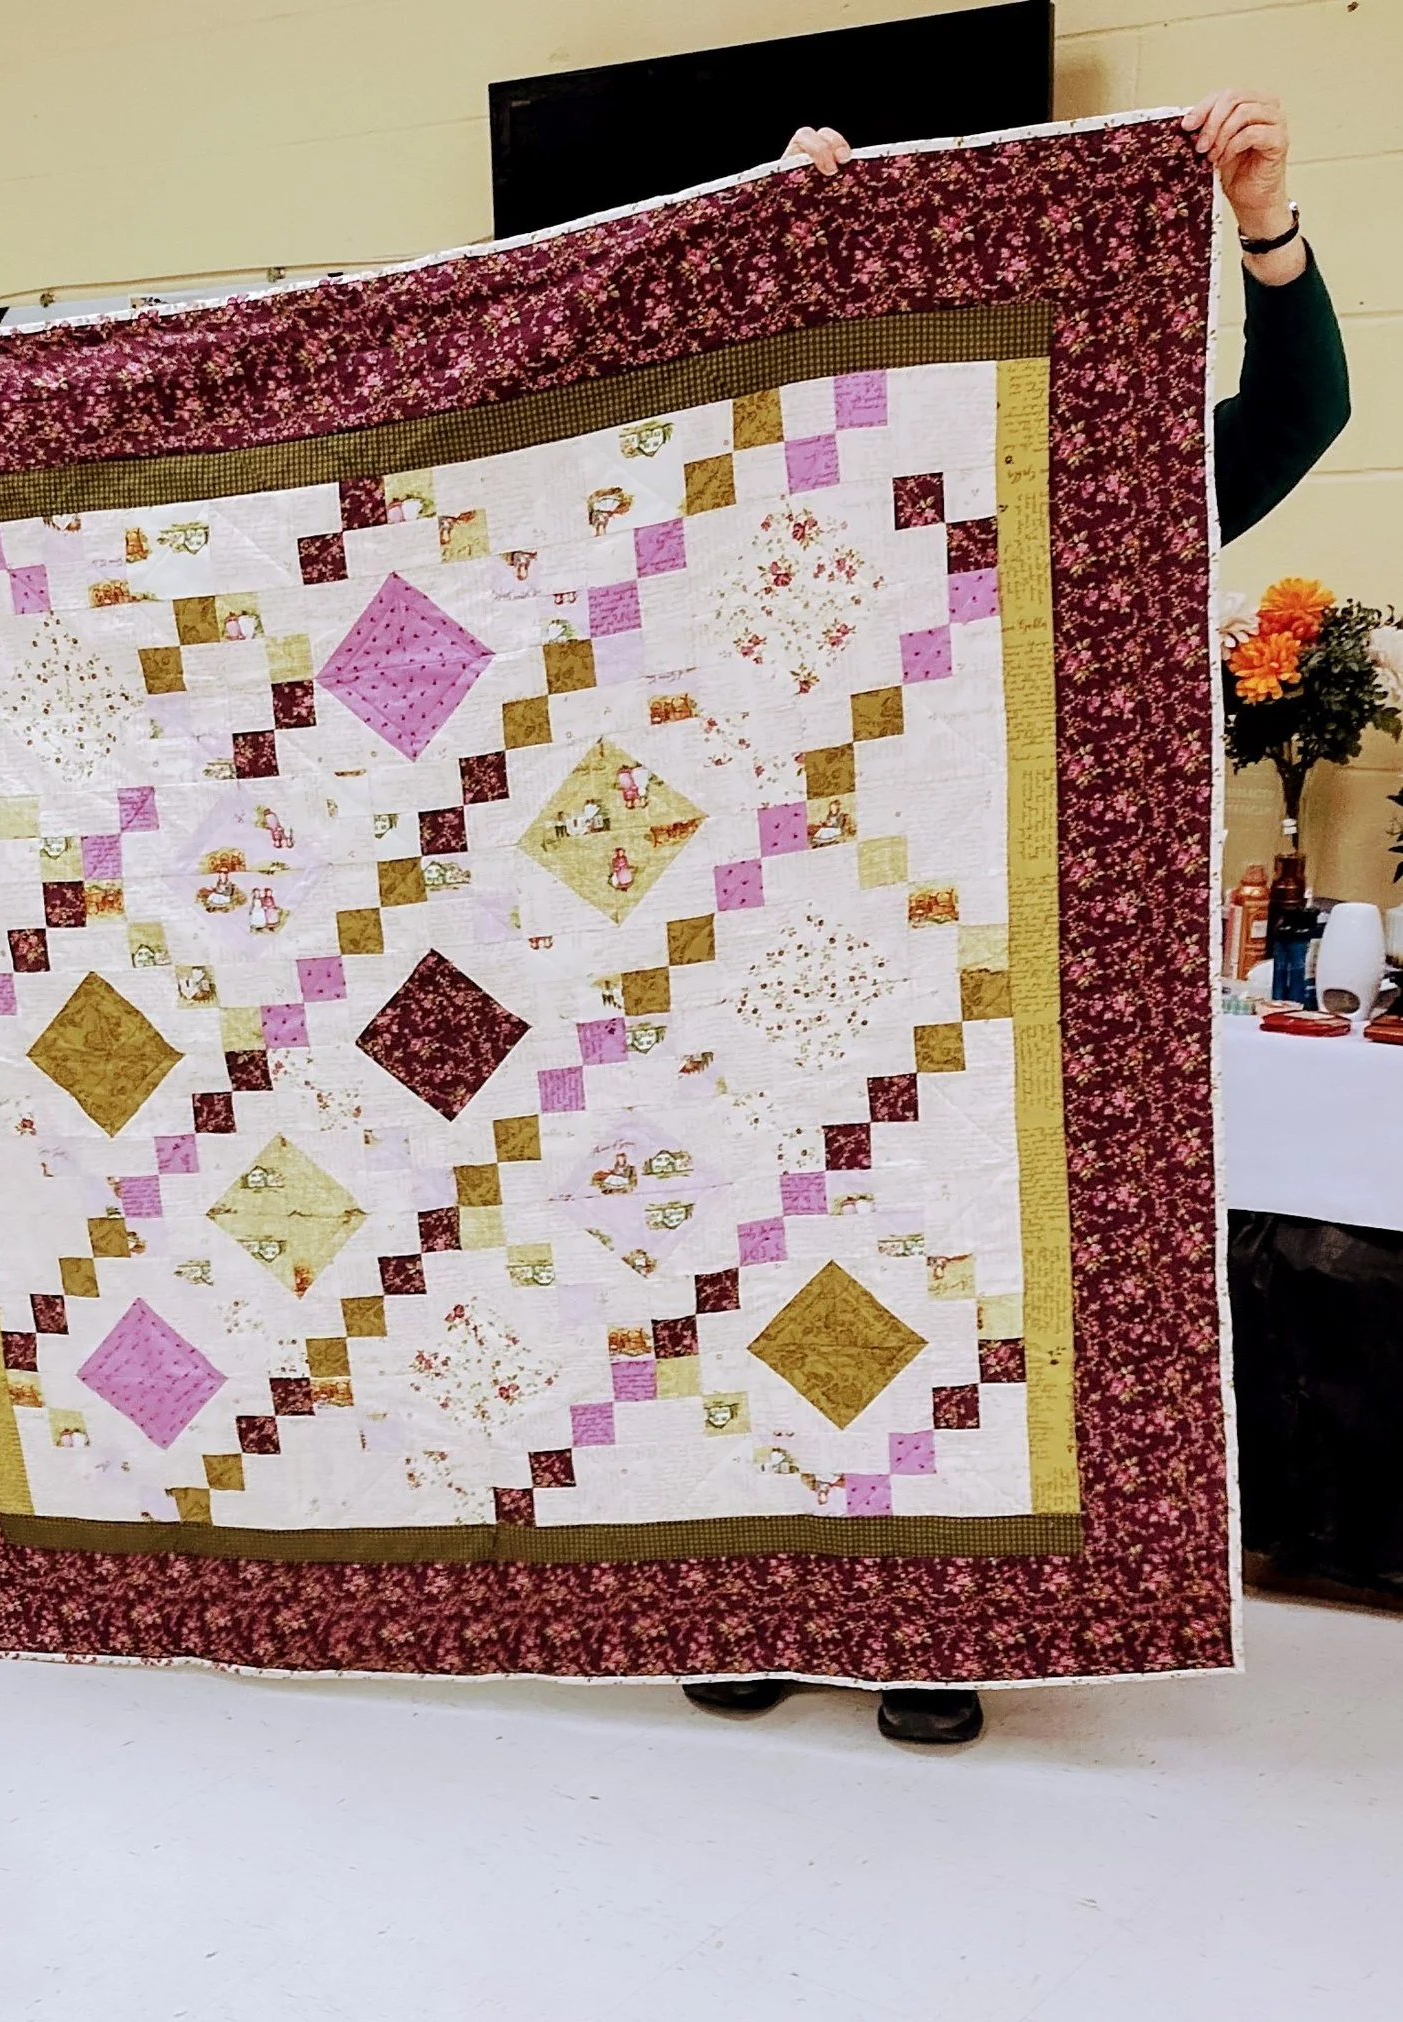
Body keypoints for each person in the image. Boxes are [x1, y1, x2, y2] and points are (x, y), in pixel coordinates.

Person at [684, 89, 1349, 1749]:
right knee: (750, 1274)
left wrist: (1262, 225)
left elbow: (1298, 415)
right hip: (772, 966)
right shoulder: (750, 484)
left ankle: (936, 1621)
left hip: (981, 966)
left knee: (952, 1279)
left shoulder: (1073, 473)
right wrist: (772, 248)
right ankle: (768, 1591)